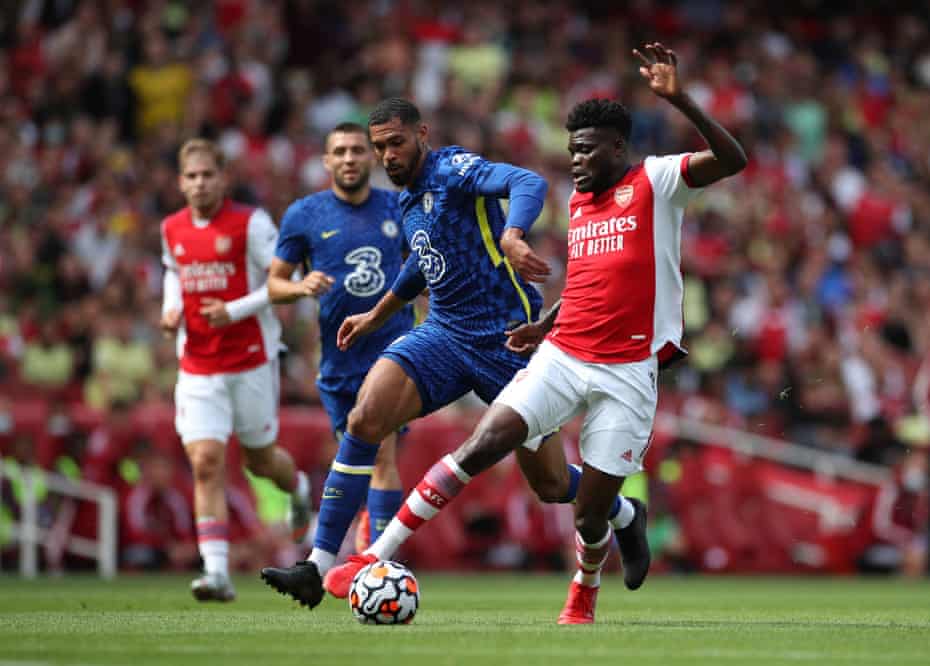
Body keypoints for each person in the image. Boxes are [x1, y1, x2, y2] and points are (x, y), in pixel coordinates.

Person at [324, 43, 748, 624]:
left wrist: (682, 101)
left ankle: (588, 583)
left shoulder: (657, 180)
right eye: (571, 151)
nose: (574, 162)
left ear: (618, 148)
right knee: (480, 444)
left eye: (586, 150)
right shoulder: (579, 201)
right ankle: (371, 557)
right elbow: (589, 283)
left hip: (627, 373)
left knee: (585, 513)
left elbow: (733, 159)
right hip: (562, 354)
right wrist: (543, 325)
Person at [260, 97, 643, 609]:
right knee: (365, 418)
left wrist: (511, 235)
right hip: (443, 332)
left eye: (396, 142)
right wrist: (378, 314)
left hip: (508, 339)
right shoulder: (407, 199)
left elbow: (527, 183)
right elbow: (424, 264)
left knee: (551, 484)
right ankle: (318, 566)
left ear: (421, 133)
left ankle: (623, 514)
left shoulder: (452, 169)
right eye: (380, 149)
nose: (388, 155)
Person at [160, 138, 311, 602]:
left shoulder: (251, 224)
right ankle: (218, 573)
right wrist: (170, 309)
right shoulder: (172, 228)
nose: (200, 183)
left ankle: (300, 488)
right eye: (192, 176)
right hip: (199, 364)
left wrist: (236, 309)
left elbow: (284, 283)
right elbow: (173, 270)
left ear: (223, 178)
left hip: (250, 360)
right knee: (206, 462)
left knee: (259, 460)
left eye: (208, 174)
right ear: (181, 182)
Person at [266, 122, 415, 553]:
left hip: (391, 351)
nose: (349, 158)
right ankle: (364, 549)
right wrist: (301, 286)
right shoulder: (304, 215)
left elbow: (421, 267)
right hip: (338, 361)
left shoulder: (397, 208)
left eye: (357, 150)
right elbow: (275, 285)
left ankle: (379, 561)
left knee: (382, 454)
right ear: (326, 161)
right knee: (356, 460)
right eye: (340, 152)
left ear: (371, 157)